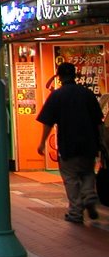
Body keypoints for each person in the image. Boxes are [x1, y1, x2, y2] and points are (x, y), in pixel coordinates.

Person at [37, 62, 104, 224]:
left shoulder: (57, 96)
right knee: (88, 172)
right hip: (89, 143)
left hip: (68, 144)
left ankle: (75, 212)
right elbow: (99, 121)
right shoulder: (87, 93)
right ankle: (88, 194)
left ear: (59, 77)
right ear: (75, 75)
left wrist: (42, 143)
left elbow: (48, 122)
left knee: (71, 177)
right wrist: (101, 142)